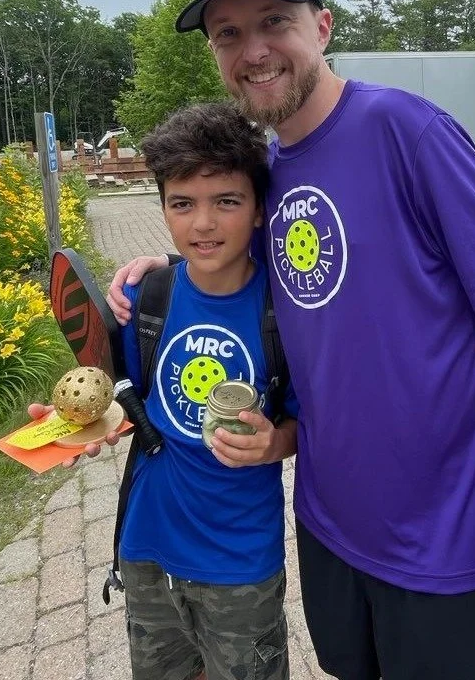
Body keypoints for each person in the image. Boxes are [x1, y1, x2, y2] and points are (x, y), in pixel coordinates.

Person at [107, 0, 475, 680]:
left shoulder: (407, 132)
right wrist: (170, 269)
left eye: (274, 21)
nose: (253, 50)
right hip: (328, 527)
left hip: (442, 544)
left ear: (323, 25)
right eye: (229, 33)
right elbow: (256, 265)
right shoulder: (268, 170)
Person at [37, 100, 298, 680]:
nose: (203, 223)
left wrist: (274, 445)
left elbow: (305, 423)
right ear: (162, 208)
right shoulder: (147, 300)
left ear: (258, 210)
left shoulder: (285, 314)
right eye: (183, 204)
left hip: (239, 564)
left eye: (226, 201)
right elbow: (128, 401)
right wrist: (82, 425)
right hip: (146, 548)